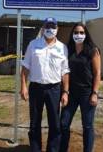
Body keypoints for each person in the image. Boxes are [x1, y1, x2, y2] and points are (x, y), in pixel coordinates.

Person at [20, 17, 70, 152]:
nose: (50, 29)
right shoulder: (33, 44)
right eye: (47, 26)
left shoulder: (62, 47)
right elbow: (25, 67)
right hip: (36, 88)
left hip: (54, 89)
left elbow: (65, 72)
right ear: (43, 28)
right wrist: (23, 86)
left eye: (53, 26)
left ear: (57, 29)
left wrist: (65, 92)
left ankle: (52, 149)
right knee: (35, 123)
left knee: (54, 123)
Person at [59, 23, 101, 152]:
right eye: (76, 32)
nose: (79, 35)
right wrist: (64, 91)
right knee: (63, 124)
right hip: (71, 93)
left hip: (87, 93)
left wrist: (95, 93)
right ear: (72, 35)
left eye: (82, 32)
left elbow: (97, 72)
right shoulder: (68, 49)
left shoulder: (93, 50)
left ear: (86, 34)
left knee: (87, 126)